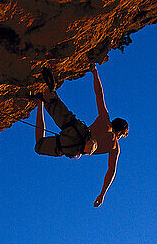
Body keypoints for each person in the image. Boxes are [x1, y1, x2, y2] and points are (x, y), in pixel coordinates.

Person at [34, 65, 128, 207]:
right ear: (120, 133)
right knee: (39, 144)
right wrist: (102, 194)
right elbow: (111, 171)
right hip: (73, 147)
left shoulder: (105, 121)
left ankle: (48, 97)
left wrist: (95, 73)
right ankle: (39, 104)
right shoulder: (115, 147)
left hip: (78, 130)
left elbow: (99, 95)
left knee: (56, 106)